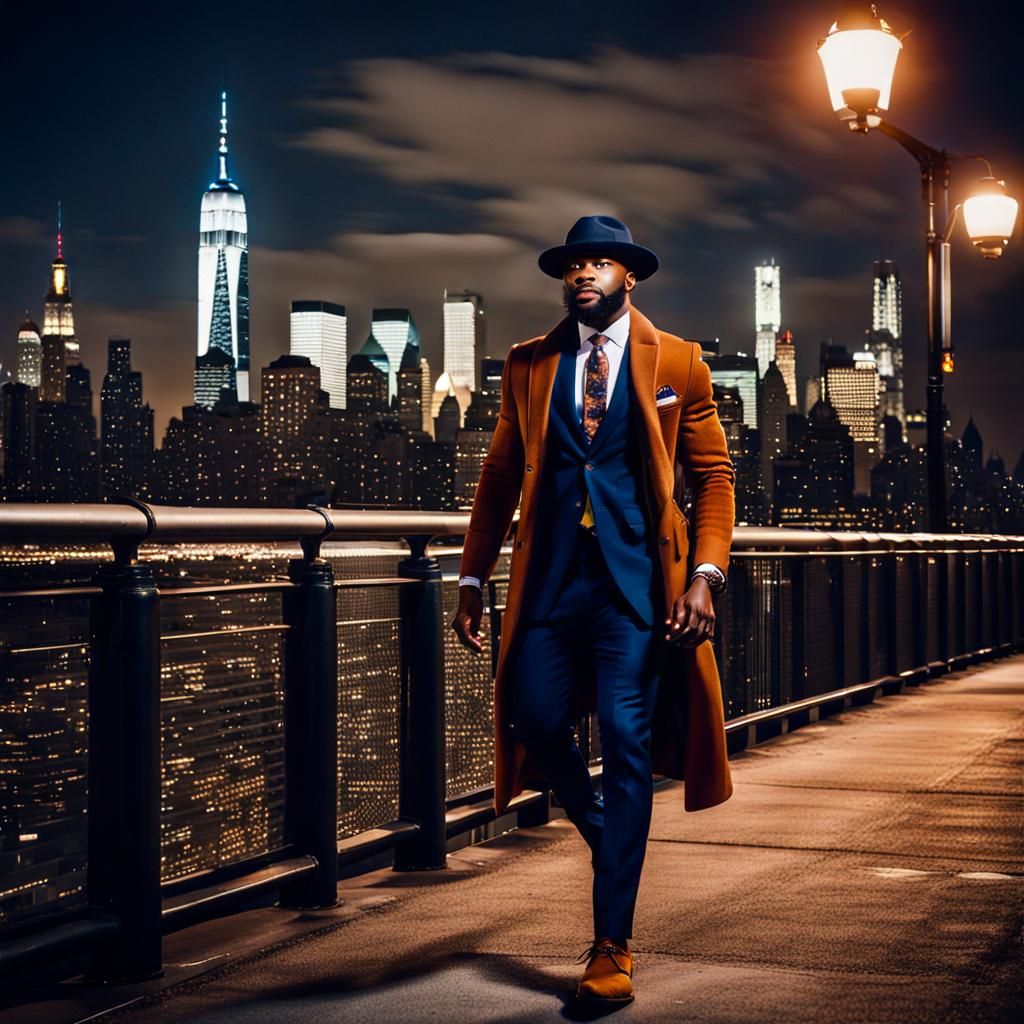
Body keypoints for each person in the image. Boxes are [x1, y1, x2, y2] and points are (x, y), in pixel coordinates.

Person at [451, 214, 735, 1006]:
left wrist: (705, 576)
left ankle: (612, 944)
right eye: (574, 265)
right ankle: (612, 831)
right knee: (534, 719)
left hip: (637, 588)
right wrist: (473, 579)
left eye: (600, 263)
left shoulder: (678, 360)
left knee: (626, 737)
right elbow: (499, 476)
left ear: (629, 276)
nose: (584, 274)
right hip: (549, 582)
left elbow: (713, 479)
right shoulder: (528, 364)